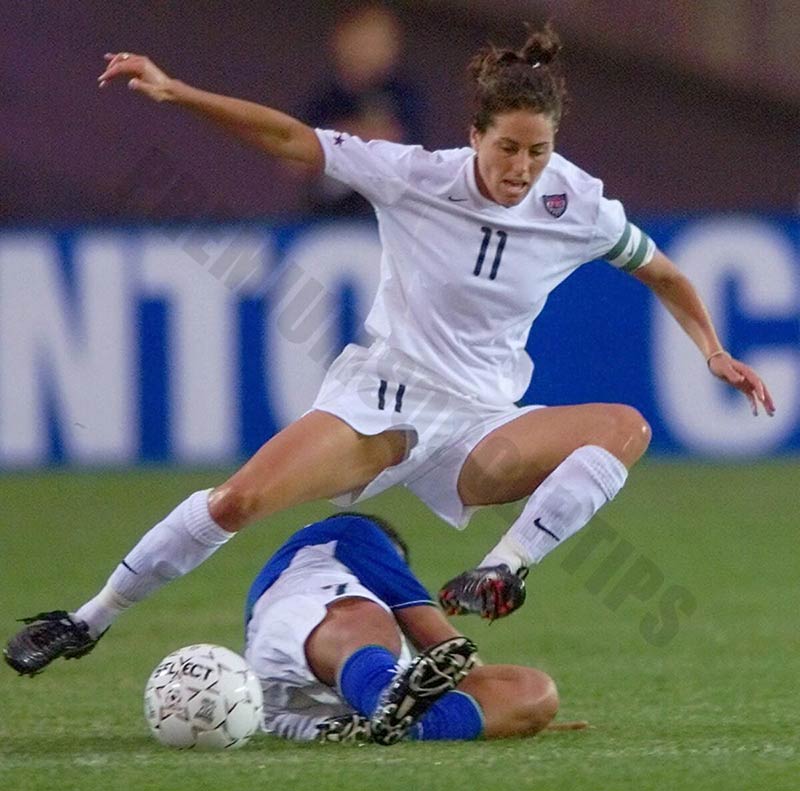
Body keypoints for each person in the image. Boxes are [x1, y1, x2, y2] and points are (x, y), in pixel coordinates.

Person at [4, 25, 775, 675]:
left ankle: (501, 569)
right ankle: (89, 617)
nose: (522, 168)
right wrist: (179, 93)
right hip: (385, 400)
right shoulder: (414, 176)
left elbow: (663, 272)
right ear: (474, 135)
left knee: (625, 427)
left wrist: (711, 349)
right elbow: (290, 138)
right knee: (237, 500)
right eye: (508, 147)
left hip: (478, 424)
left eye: (538, 151)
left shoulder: (577, 204)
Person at [242, 512, 560, 743]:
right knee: (366, 615)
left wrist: (509, 716)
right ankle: (389, 709)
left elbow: (450, 666)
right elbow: (445, 646)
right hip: (307, 630)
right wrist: (496, 710)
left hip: (297, 706)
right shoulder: (351, 532)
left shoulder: (385, 645)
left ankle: (399, 725)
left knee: (534, 691)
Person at [300, 2, 425, 215]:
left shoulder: (403, 97)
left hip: (385, 216)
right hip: (325, 218)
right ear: (340, 40)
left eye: (380, 42)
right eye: (363, 40)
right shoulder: (324, 99)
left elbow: (402, 149)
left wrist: (334, 143)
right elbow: (297, 160)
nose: (370, 51)